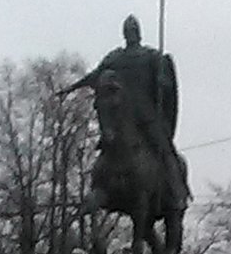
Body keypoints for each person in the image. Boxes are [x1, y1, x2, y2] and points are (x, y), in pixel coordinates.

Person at [59, 15, 189, 211]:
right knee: (106, 148)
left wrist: (163, 81)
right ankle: (98, 188)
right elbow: (95, 75)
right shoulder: (115, 58)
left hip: (146, 115)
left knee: (165, 148)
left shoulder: (151, 56)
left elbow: (166, 82)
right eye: (128, 31)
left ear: (138, 33)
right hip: (120, 113)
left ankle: (177, 192)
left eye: (133, 31)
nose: (131, 34)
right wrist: (73, 88)